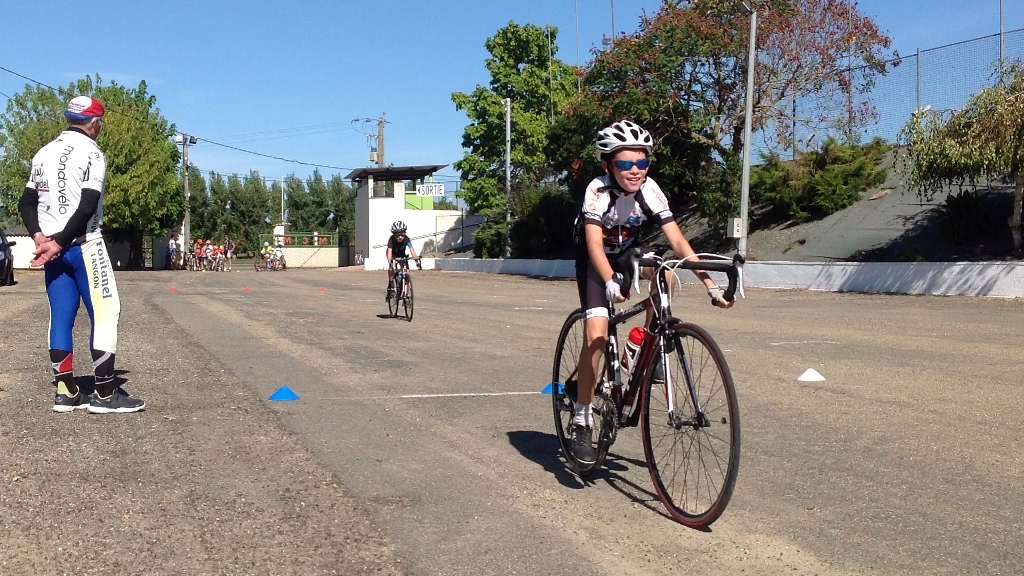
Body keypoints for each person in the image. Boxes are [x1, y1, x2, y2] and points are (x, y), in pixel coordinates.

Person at [569, 119, 733, 465]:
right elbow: (595, 245)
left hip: (629, 254)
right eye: (625, 164)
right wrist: (610, 279)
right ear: (607, 165)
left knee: (667, 275)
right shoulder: (597, 191)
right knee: (596, 336)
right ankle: (581, 419)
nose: (635, 170)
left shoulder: (650, 189)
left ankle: (644, 345)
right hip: (595, 260)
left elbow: (677, 241)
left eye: (642, 163)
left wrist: (709, 284)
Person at [17, 95, 145, 413]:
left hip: (53, 250)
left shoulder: (43, 153)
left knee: (61, 316)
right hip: (84, 246)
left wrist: (41, 238)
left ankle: (65, 392)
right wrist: (61, 242)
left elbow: (26, 202)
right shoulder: (92, 153)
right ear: (95, 123)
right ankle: (104, 394)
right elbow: (87, 205)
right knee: (105, 313)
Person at [385, 221, 420, 299]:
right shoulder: (391, 239)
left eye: (402, 235)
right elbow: (389, 252)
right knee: (392, 267)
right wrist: (390, 263)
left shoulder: (407, 239)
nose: (400, 237)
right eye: (397, 235)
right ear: (394, 235)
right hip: (393, 255)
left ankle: (406, 293)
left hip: (402, 255)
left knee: (407, 271)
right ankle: (391, 285)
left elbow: (412, 251)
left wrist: (416, 261)